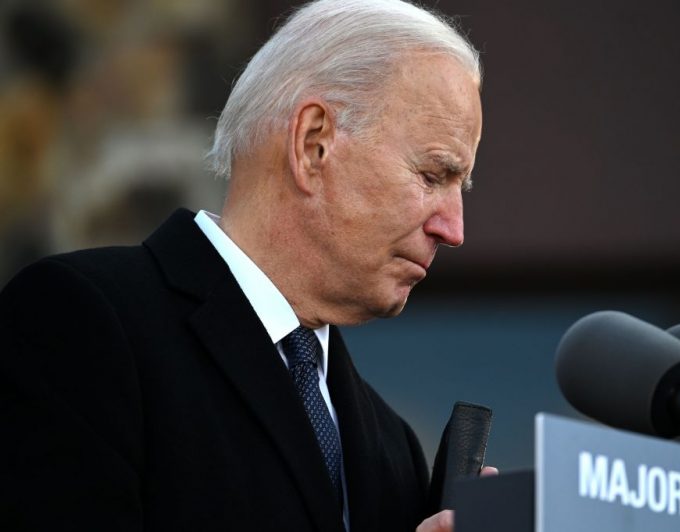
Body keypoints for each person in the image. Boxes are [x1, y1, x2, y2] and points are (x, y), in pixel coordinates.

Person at [0, 0, 486, 530]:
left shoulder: (391, 445)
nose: (453, 229)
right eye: (433, 175)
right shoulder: (81, 324)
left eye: (458, 188)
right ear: (313, 143)